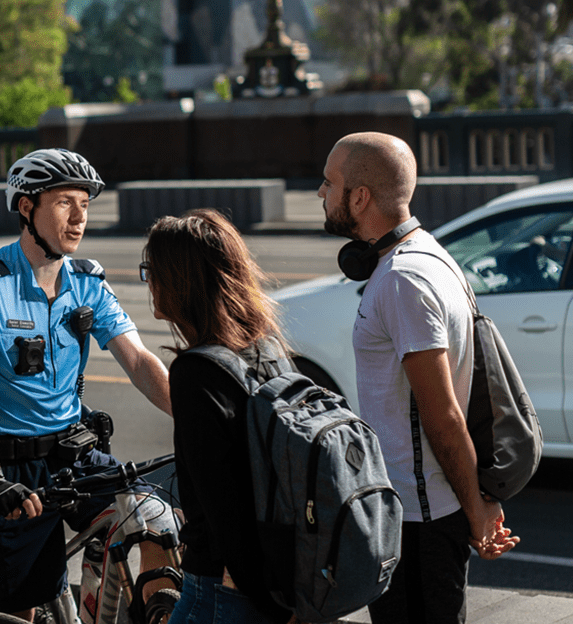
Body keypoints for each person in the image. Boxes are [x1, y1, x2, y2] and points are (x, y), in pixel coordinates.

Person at [0, 148, 173, 621]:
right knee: (18, 613)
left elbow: (137, 359)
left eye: (85, 204)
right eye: (64, 203)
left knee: (157, 520)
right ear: (26, 207)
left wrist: (196, 416)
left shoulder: (88, 281)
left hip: (74, 456)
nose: (79, 218)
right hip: (11, 469)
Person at [318, 132, 519, 624]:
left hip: (417, 521)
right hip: (417, 513)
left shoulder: (402, 280)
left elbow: (443, 414)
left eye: (329, 182)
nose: (320, 193)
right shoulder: (428, 253)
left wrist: (477, 512)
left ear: (359, 197)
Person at [142, 208, 292, 624]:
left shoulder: (196, 372)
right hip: (282, 574)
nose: (148, 282)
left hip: (222, 591)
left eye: (150, 270)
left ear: (177, 280)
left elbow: (224, 510)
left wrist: (261, 599)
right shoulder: (267, 349)